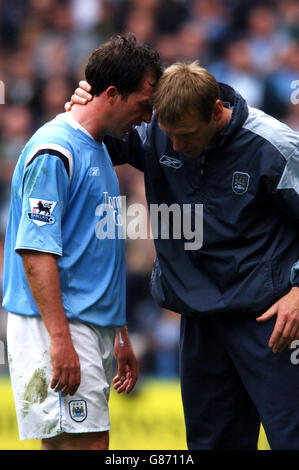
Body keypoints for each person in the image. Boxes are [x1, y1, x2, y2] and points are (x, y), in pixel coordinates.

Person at [69, 60, 299, 450]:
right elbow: (95, 130)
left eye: (186, 135)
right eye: (168, 134)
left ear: (215, 112)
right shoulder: (155, 133)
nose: (175, 146)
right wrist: (83, 105)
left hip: (272, 321)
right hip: (199, 321)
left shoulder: (275, 146)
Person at [2, 33, 162, 450]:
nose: (147, 118)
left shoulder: (98, 150)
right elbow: (35, 253)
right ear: (112, 94)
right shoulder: (56, 151)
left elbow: (98, 255)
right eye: (144, 104)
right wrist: (59, 340)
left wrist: (120, 332)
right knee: (90, 447)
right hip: (57, 326)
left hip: (89, 326)